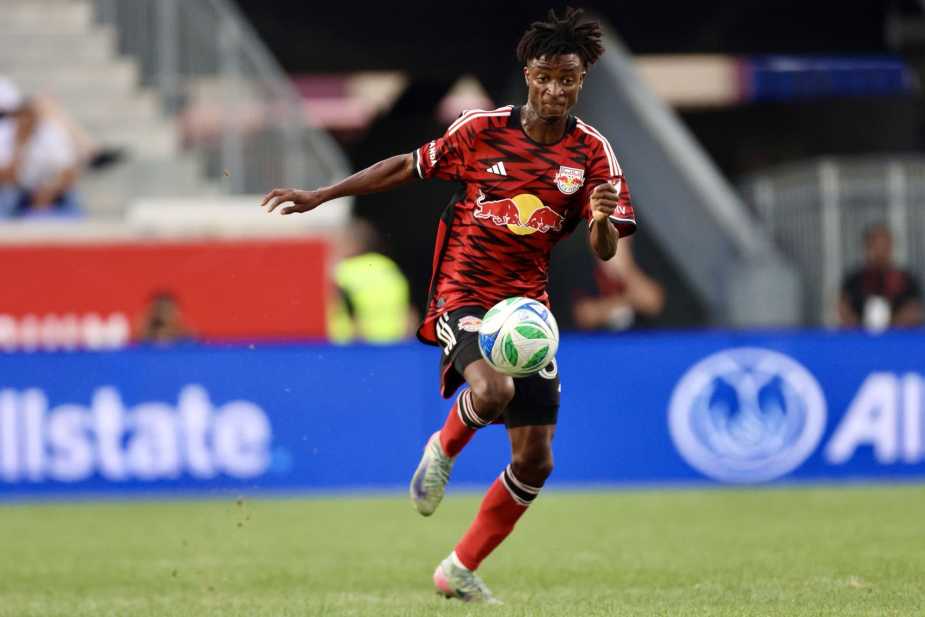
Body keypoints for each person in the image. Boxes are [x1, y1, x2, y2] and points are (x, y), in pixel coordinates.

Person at [261, 8, 635, 604]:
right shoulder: (482, 131)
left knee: (536, 461)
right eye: (546, 76)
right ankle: (443, 448)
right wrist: (323, 195)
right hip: (463, 290)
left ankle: (458, 568)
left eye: (569, 79)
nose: (556, 89)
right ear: (528, 73)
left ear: (581, 80)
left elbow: (606, 246)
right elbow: (404, 167)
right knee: (493, 392)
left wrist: (598, 220)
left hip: (527, 310)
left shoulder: (593, 155)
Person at [0, 77, 82, 217]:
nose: (26, 122)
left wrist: (49, 192)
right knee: (8, 196)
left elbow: (69, 171)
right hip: (20, 191)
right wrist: (18, 147)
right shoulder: (6, 136)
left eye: (29, 117)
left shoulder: (50, 135)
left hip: (51, 189)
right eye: (22, 118)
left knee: (72, 198)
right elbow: (5, 177)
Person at [328, 218, 417, 343]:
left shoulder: (345, 270)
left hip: (355, 344)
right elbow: (409, 311)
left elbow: (346, 307)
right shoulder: (390, 267)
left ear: (352, 245)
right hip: (395, 342)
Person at [838, 224, 923, 331]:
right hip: (861, 340)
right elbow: (843, 310)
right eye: (875, 245)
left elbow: (914, 311)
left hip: (898, 339)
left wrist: (891, 326)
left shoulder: (906, 279)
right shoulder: (854, 280)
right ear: (867, 247)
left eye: (884, 246)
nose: (880, 252)